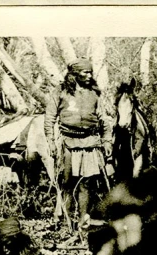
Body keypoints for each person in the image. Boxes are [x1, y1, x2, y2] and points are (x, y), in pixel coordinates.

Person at [45, 59, 112, 229]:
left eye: (90, 72)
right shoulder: (60, 92)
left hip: (90, 142)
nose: (89, 76)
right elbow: (49, 118)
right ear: (74, 74)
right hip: (67, 141)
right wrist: (51, 142)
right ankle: (67, 221)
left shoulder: (94, 93)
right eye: (85, 73)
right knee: (67, 183)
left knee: (86, 184)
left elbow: (103, 118)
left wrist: (106, 140)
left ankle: (83, 220)